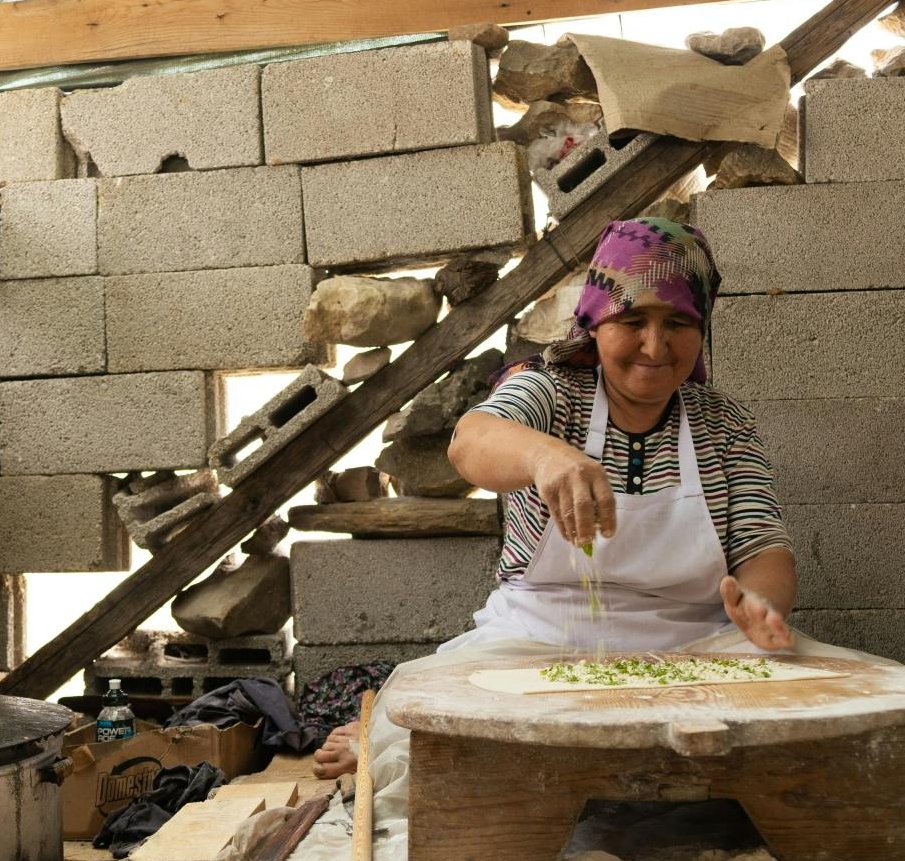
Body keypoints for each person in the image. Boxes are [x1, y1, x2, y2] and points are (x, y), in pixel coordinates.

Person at [313, 215, 796, 780]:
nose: (655, 345)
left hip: (697, 650)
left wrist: (761, 609)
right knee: (434, 743)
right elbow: (471, 442)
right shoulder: (549, 390)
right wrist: (546, 457)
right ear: (594, 322)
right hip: (539, 644)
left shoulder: (723, 423)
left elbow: (763, 544)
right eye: (632, 319)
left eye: (679, 322)